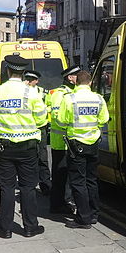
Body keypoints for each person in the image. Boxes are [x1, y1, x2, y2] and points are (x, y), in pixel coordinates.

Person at [0, 55, 48, 239]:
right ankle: (31, 226)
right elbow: (41, 119)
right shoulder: (32, 92)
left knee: (6, 188)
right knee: (28, 187)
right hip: (27, 146)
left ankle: (4, 228)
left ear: (8, 70)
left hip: (3, 146)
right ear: (23, 72)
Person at [56, 69, 109, 229]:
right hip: (93, 143)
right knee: (91, 180)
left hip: (76, 145)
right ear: (90, 82)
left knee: (78, 182)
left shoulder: (69, 99)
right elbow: (104, 119)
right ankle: (93, 214)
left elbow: (61, 121)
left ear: (76, 82)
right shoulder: (99, 99)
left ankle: (83, 218)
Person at [46, 65, 80, 216]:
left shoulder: (73, 92)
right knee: (60, 176)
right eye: (76, 75)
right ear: (70, 78)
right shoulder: (59, 94)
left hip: (70, 142)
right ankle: (58, 205)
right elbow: (58, 117)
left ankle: (63, 202)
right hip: (61, 141)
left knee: (67, 175)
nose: (78, 78)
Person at [24, 69, 52, 196]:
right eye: (29, 80)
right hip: (28, 128)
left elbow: (50, 105)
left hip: (40, 128)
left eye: (32, 80)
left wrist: (46, 110)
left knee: (42, 157)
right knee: (30, 158)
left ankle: (45, 184)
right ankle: (30, 183)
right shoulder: (22, 91)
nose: (30, 82)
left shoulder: (42, 92)